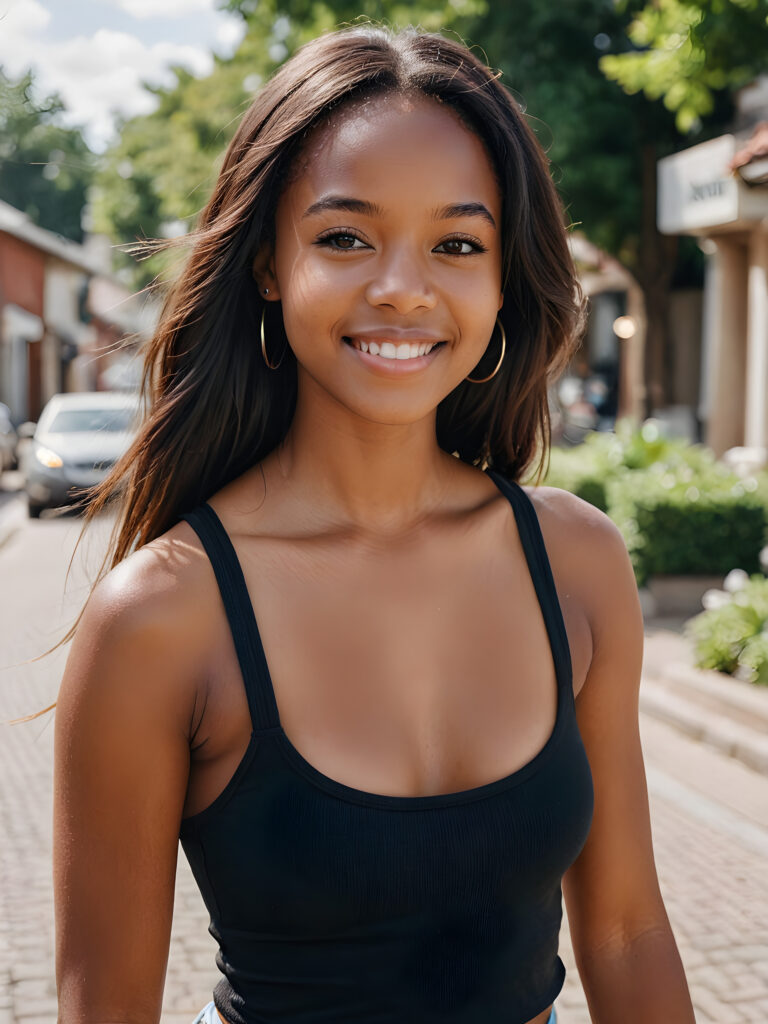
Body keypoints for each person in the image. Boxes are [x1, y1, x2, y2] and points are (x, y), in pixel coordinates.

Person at [53, 24, 696, 1024]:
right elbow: (104, 1007)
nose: (402, 287)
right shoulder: (162, 617)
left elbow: (626, 930)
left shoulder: (576, 561)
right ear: (268, 263)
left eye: (457, 244)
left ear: (501, 275)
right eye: (346, 237)